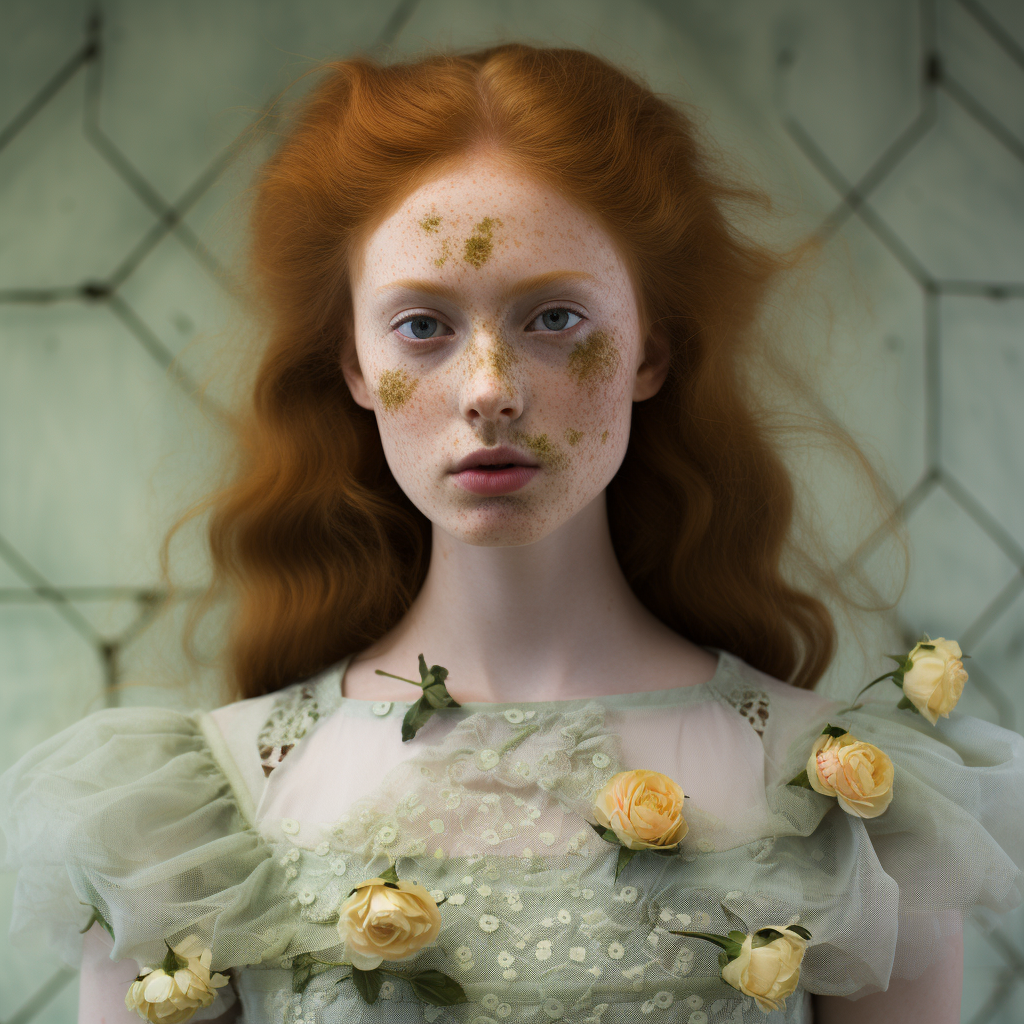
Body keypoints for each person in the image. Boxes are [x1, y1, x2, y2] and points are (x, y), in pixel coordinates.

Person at [2, 43, 1022, 1024]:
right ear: (353, 365)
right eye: (421, 327)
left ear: (650, 349)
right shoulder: (195, 817)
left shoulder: (838, 798)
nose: (488, 391)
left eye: (553, 319)